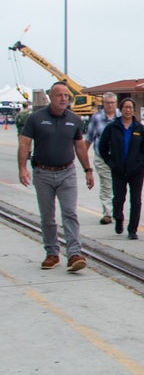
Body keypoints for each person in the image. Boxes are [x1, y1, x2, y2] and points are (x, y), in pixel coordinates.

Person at [17, 81, 95, 272]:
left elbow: (79, 146)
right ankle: (52, 253)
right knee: (47, 217)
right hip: (43, 173)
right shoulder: (36, 118)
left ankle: (74, 253)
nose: (63, 98)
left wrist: (88, 170)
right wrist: (22, 168)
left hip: (66, 173)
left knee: (70, 213)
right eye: (59, 95)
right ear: (50, 97)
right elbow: (25, 143)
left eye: (66, 95)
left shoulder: (74, 120)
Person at [98, 97, 144, 240]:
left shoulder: (140, 129)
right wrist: (111, 162)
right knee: (118, 199)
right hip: (118, 170)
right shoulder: (112, 127)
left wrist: (142, 165)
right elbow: (102, 147)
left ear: (134, 110)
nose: (128, 110)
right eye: (125, 107)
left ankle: (133, 229)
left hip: (136, 172)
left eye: (130, 107)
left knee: (136, 200)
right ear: (120, 109)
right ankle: (119, 219)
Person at [84, 92, 120, 224]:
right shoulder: (96, 118)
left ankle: (118, 210)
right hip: (102, 157)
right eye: (107, 103)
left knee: (118, 185)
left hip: (119, 158)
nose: (110, 105)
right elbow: (88, 138)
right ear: (103, 104)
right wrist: (83, 157)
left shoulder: (122, 117)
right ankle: (107, 213)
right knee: (106, 183)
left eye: (112, 103)